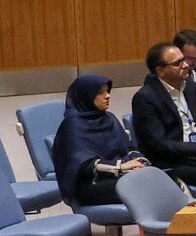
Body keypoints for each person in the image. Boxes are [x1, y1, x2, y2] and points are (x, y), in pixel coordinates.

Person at [132, 41, 196, 192]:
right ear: (160, 71)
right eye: (178, 63)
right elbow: (159, 144)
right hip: (173, 161)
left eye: (183, 60)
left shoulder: (191, 87)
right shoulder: (145, 98)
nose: (185, 65)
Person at [49, 74, 146, 208]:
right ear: (86, 96)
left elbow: (128, 147)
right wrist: (121, 167)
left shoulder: (109, 118)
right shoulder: (73, 125)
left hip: (119, 176)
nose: (107, 96)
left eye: (107, 91)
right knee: (144, 187)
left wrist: (139, 161)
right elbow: (82, 165)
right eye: (100, 92)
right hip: (91, 184)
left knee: (163, 178)